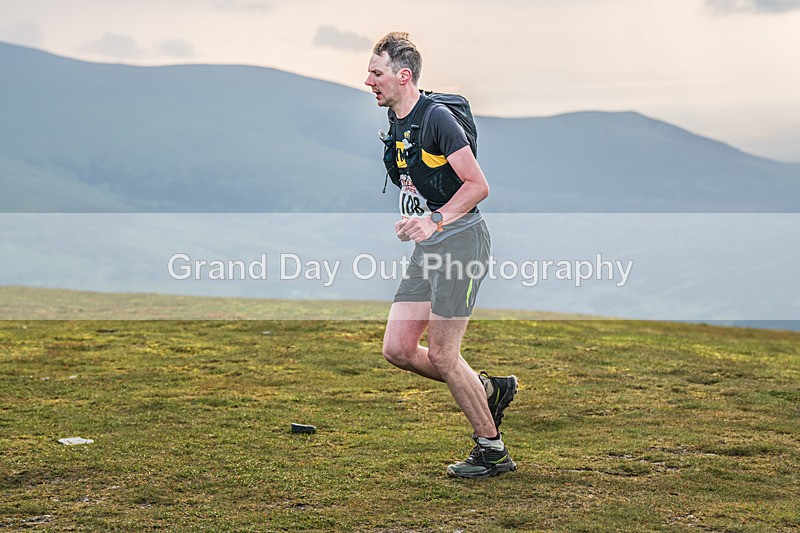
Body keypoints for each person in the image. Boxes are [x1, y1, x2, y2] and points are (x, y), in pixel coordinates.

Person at [365, 31, 518, 479]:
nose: (368, 80)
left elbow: (477, 185)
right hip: (428, 249)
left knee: (445, 356)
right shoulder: (398, 120)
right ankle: (487, 387)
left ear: (402, 75)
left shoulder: (437, 119)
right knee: (398, 348)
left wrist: (434, 220)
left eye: (376, 73)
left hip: (461, 244)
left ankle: (492, 450)